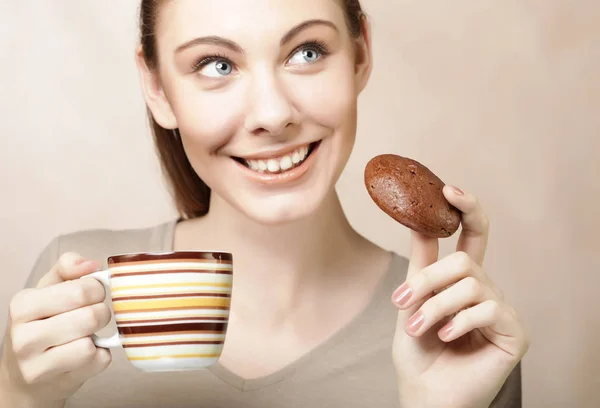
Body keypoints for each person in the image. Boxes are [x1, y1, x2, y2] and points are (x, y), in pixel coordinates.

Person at [0, 0, 529, 406]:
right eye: (216, 64)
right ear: (157, 87)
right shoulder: (69, 301)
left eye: (307, 52)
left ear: (360, 55)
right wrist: (20, 397)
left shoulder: (458, 335)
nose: (273, 115)